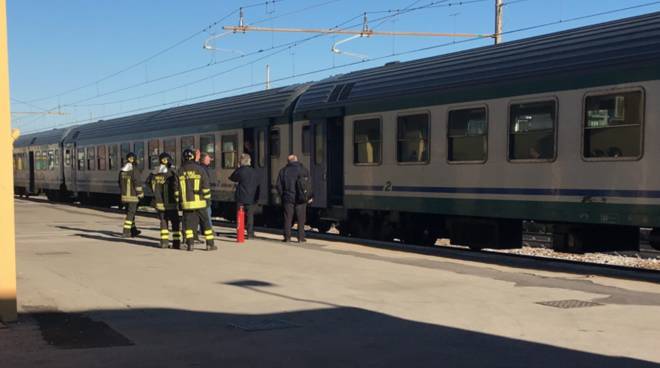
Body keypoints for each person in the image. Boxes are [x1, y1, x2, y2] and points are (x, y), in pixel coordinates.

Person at [179, 149, 216, 252]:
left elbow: (176, 189)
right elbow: (206, 187)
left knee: (189, 225)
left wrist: (179, 202)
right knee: (206, 224)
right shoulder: (200, 170)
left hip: (187, 203)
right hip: (200, 202)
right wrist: (208, 200)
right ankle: (210, 245)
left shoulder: (180, 171)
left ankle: (190, 244)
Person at [146, 152, 181, 249]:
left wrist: (155, 192)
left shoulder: (154, 172)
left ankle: (164, 242)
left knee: (163, 222)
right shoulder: (172, 172)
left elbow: (147, 182)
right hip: (171, 202)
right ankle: (176, 243)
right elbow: (176, 185)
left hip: (159, 203)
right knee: (175, 223)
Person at [276, 154, 312, 243]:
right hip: (301, 199)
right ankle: (301, 237)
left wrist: (282, 195)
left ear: (288, 162)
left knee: (288, 218)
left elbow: (278, 185)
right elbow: (309, 185)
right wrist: (310, 196)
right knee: (301, 219)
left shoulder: (283, 171)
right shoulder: (304, 170)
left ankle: (287, 237)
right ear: (296, 160)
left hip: (288, 198)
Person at [229, 153, 260, 239]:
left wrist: (238, 168)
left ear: (241, 161)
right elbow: (258, 183)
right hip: (251, 196)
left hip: (241, 197)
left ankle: (240, 233)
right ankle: (250, 234)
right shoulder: (254, 171)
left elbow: (232, 177)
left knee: (240, 215)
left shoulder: (240, 171)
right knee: (250, 216)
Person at [118, 152, 143, 238]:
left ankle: (133, 230)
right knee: (130, 214)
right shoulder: (134, 170)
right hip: (133, 196)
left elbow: (119, 183)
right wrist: (140, 194)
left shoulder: (122, 170)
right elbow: (137, 182)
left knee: (130, 214)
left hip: (124, 197)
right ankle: (126, 231)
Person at [199, 152, 214, 236]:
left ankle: (203, 230)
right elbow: (205, 184)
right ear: (203, 159)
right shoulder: (203, 169)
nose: (210, 161)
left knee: (204, 213)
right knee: (207, 213)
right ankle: (208, 230)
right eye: (208, 159)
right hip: (204, 195)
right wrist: (207, 198)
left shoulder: (202, 168)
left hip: (202, 195)